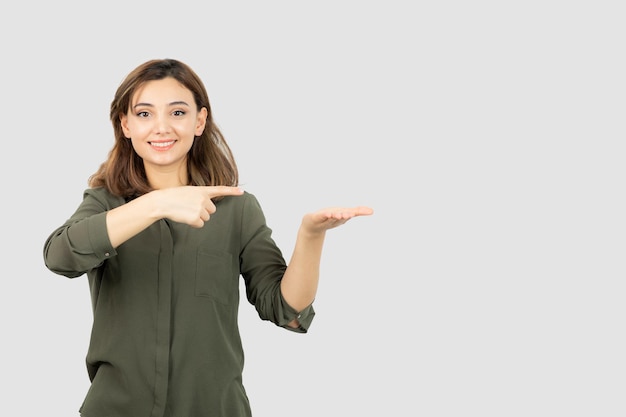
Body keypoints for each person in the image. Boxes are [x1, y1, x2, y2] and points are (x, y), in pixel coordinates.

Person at [42, 58, 373, 417]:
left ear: (199, 121)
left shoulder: (237, 210)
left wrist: (311, 237)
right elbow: (60, 256)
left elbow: (285, 309)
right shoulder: (105, 203)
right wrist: (157, 204)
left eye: (178, 113)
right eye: (144, 114)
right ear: (125, 124)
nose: (162, 127)